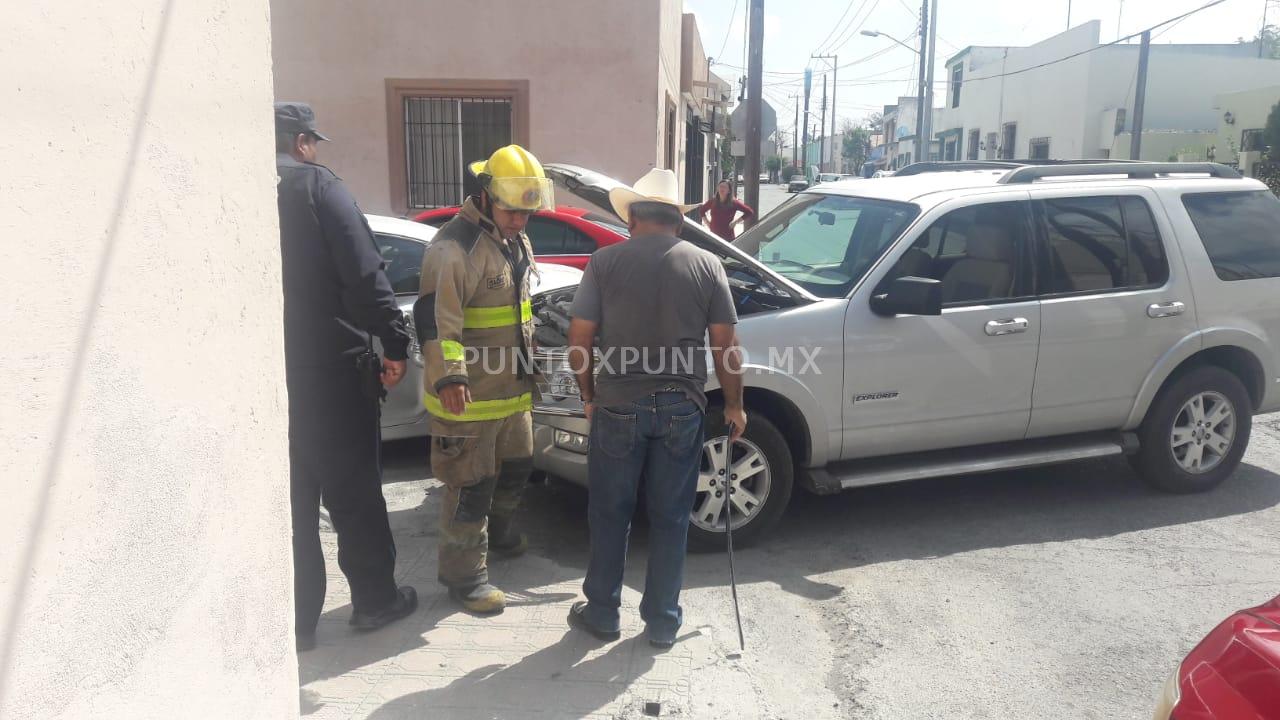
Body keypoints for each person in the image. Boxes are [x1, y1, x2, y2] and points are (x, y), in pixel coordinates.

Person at [565, 168, 747, 649]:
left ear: (632, 219)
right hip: (682, 408)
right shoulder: (709, 265)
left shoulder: (603, 263)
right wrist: (734, 405)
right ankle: (663, 621)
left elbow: (579, 339)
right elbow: (726, 346)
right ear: (678, 222)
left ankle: (603, 612)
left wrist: (587, 394)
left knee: (610, 512)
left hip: (617, 404)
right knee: (670, 516)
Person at [275, 101, 418, 652]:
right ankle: (374, 602)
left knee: (289, 505)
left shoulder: (237, 185)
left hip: (267, 376)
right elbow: (364, 274)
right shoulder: (319, 189)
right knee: (353, 492)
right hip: (332, 373)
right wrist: (395, 340)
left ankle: (297, 623)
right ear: (302, 141)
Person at [415, 145, 550, 614]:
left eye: (527, 213)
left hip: (511, 391)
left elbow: (519, 312)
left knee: (515, 470)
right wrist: (450, 377)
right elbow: (435, 321)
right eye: (513, 210)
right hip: (467, 397)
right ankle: (463, 576)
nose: (520, 221)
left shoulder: (513, 241)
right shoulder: (454, 248)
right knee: (469, 485)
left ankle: (502, 537)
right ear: (487, 195)